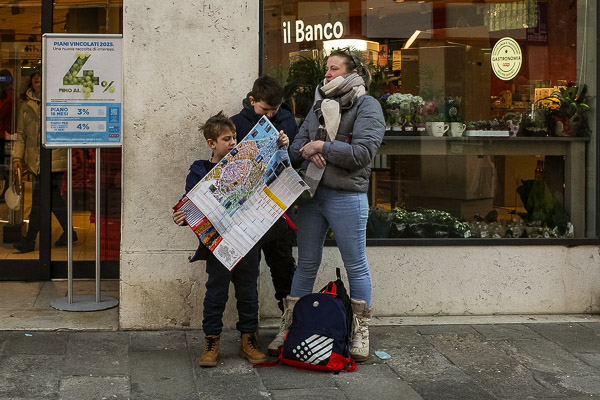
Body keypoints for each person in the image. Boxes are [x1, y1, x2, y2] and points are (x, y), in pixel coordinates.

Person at [268, 48, 386, 362]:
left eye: (334, 68)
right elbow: (295, 148)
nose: (327, 74)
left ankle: (359, 331)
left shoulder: (367, 105)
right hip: (311, 196)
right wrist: (310, 149)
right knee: (306, 263)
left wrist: (323, 146)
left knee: (355, 264)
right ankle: (291, 326)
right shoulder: (319, 105)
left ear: (351, 72)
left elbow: (362, 153)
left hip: (347, 196)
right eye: (327, 69)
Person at [172, 111, 289, 367]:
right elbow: (189, 205)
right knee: (216, 292)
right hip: (218, 245)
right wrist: (182, 217)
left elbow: (275, 168)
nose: (233, 143)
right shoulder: (199, 170)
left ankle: (248, 340)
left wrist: (281, 145)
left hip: (247, 240)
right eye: (227, 139)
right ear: (211, 143)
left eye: (235, 137)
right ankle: (211, 341)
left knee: (248, 292)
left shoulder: (248, 164)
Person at [230, 75, 298, 343]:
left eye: (274, 110)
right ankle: (249, 331)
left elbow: (294, 161)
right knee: (247, 273)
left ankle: (290, 325)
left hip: (278, 207)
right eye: (264, 110)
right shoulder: (237, 123)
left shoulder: (287, 121)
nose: (270, 115)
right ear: (252, 101)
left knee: (283, 266)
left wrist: (286, 147)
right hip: (247, 210)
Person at [12, 68, 76, 253]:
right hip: (37, 160)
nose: (36, 78)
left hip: (54, 157)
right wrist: (17, 157)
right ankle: (70, 232)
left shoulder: (57, 99)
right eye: (34, 76)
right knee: (54, 200)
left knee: (39, 202)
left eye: (39, 75)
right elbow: (22, 134)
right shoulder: (26, 105)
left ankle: (29, 240)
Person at [0, 70, 14, 200]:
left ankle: (7, 192)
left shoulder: (11, 95)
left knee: (7, 166)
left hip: (7, 136)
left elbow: (2, 111)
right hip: (4, 135)